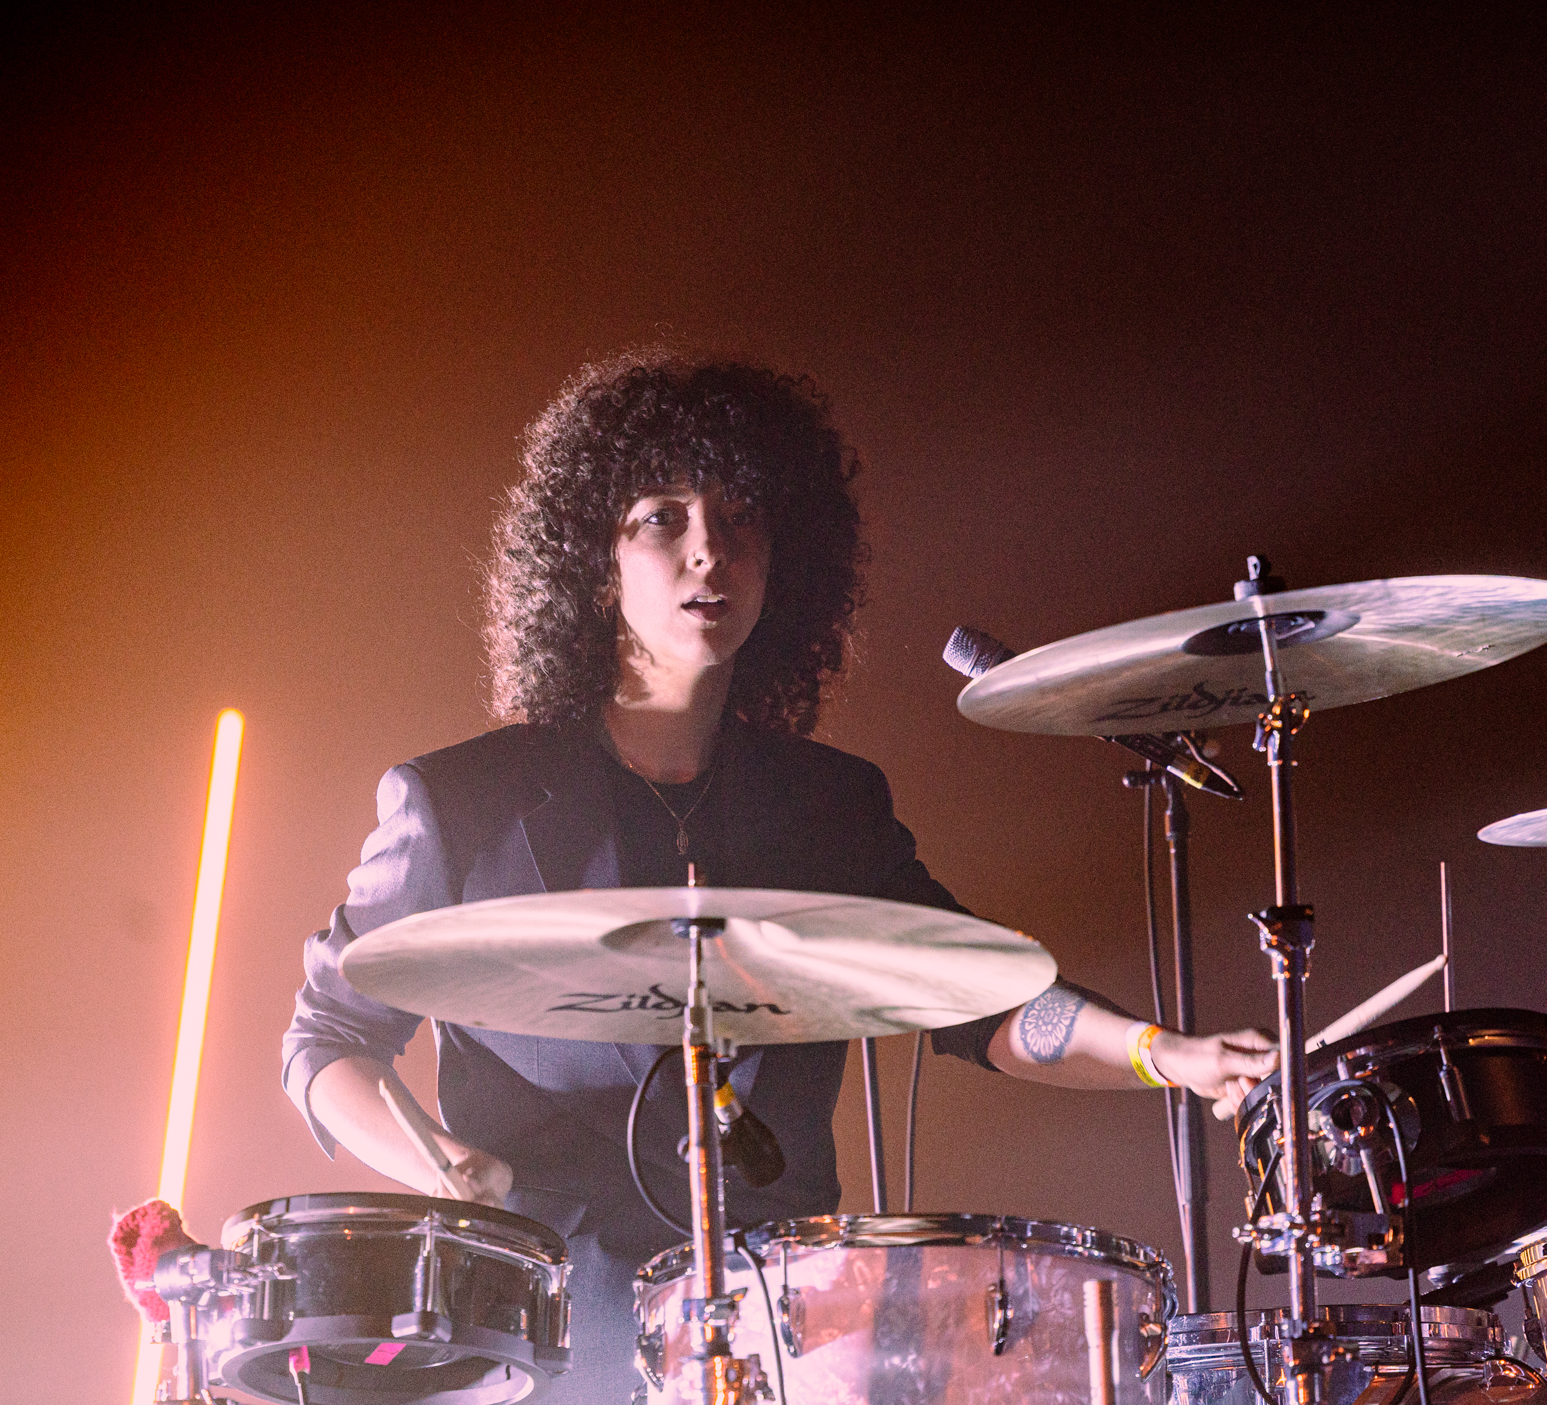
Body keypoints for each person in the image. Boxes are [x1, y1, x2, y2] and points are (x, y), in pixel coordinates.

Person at [283, 354, 1277, 1402]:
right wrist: (440, 1162)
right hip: (556, 1329)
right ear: (594, 558)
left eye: (740, 515)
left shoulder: (827, 802)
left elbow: (975, 999)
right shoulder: (462, 800)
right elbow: (326, 1040)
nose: (708, 548)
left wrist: (1164, 1053)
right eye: (662, 517)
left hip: (798, 1322)